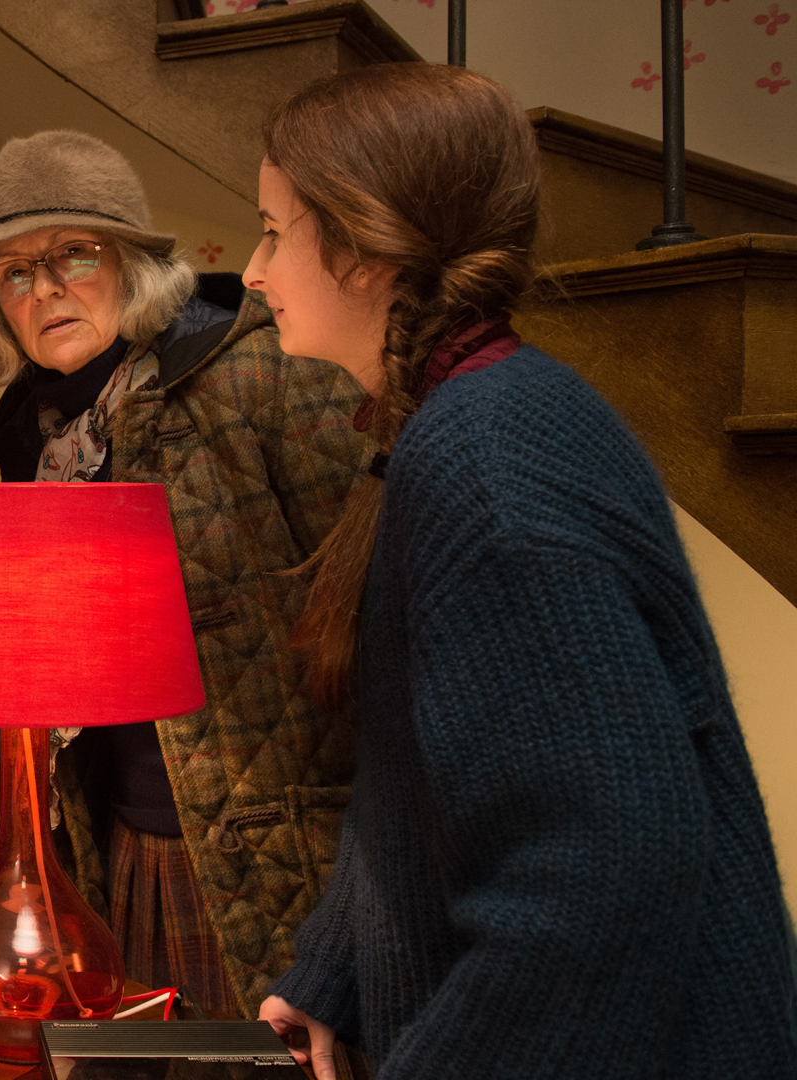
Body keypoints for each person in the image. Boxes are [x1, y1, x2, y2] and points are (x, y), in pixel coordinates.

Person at [247, 64, 797, 1079]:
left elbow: (599, 879)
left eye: (275, 231)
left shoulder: (486, 464)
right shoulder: (459, 415)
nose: (251, 270)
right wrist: (332, 974)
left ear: (364, 247)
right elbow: (411, 787)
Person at [0, 130, 370, 1020]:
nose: (44, 290)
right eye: (14, 273)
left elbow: (371, 604)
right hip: (118, 826)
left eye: (73, 254)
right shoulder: (27, 426)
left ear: (131, 263)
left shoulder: (260, 367)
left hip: (282, 843)